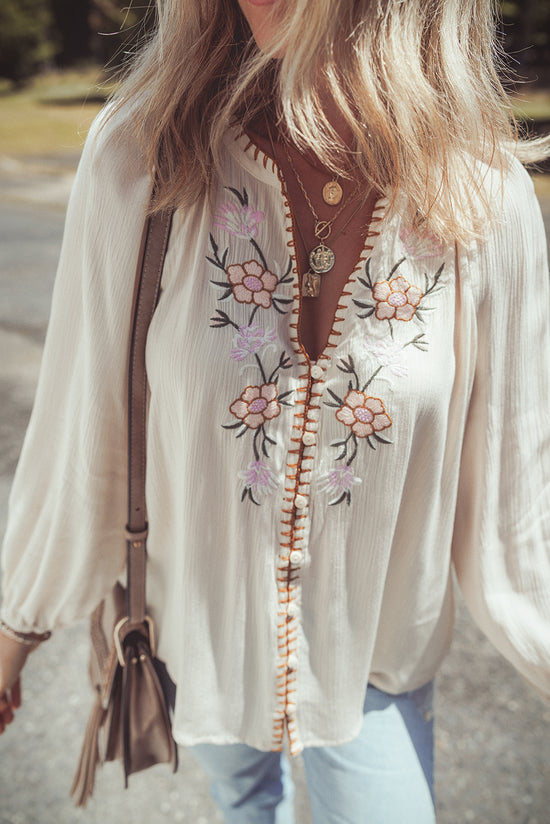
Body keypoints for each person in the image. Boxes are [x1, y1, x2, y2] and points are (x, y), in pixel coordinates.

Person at [1, 0, 549, 821]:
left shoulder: (484, 199)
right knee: (244, 799)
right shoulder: (143, 156)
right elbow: (82, 431)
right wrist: (17, 628)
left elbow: (518, 520)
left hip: (374, 666)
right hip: (198, 635)